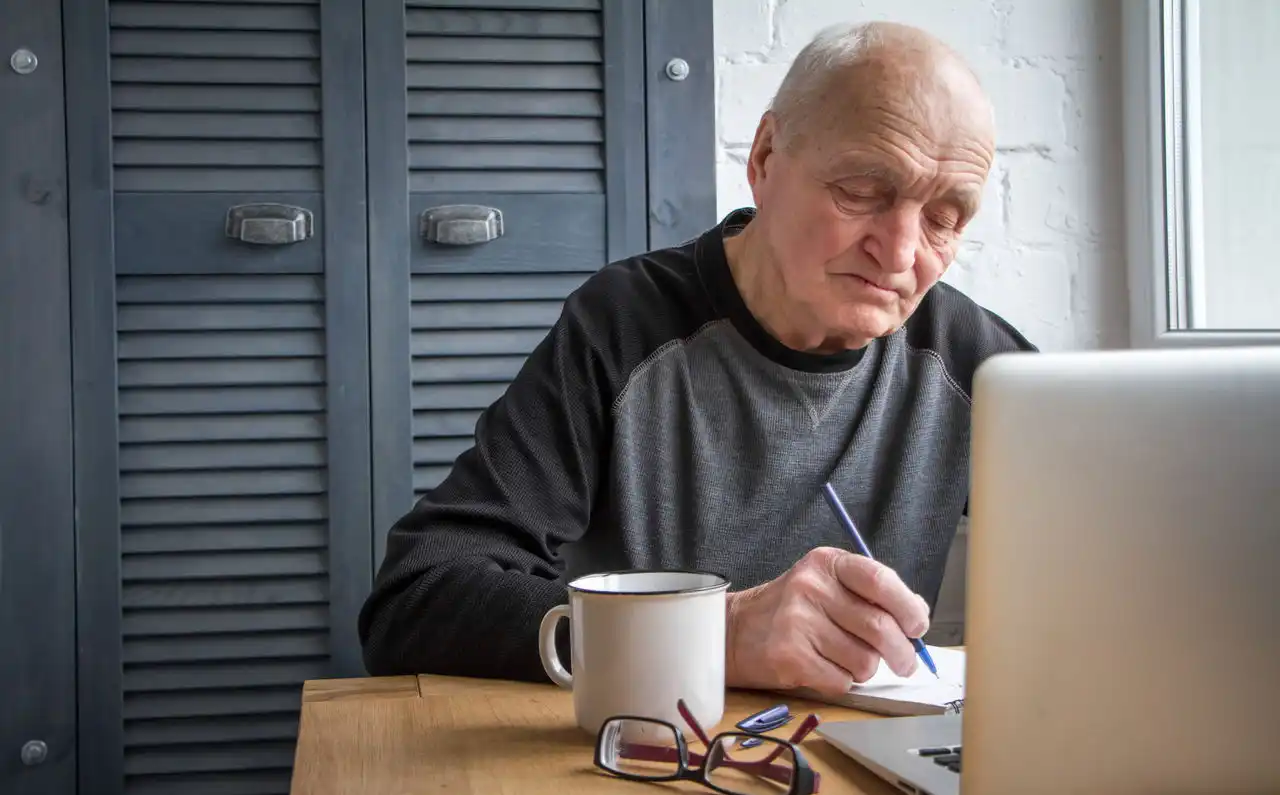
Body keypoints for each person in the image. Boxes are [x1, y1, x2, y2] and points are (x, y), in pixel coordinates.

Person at [358, 20, 1036, 698]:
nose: (899, 253)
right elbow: (417, 596)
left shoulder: (979, 365)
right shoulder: (624, 326)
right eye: (862, 190)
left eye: (943, 218)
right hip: (650, 754)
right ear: (766, 158)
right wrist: (715, 634)